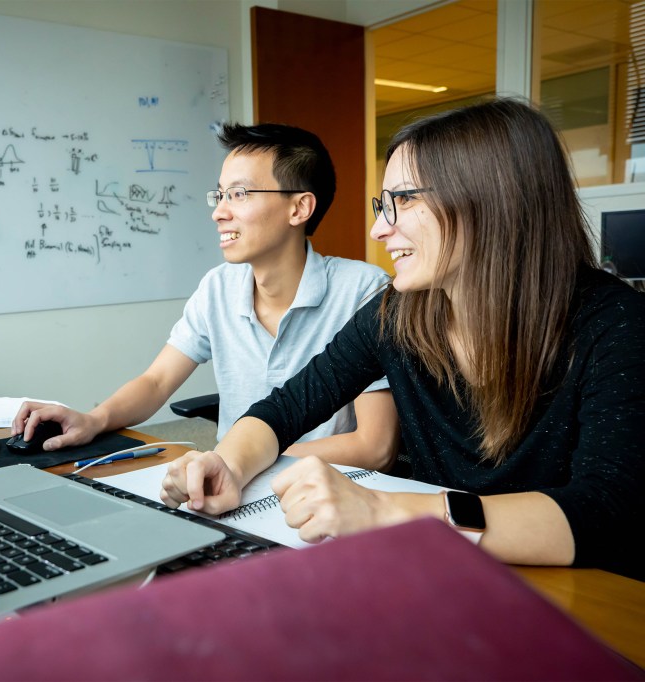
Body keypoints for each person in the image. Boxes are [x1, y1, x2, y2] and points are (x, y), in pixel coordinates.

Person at [160, 99, 645, 580]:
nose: (378, 229)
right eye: (382, 204)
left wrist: (383, 510)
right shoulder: (399, 313)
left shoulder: (614, 322)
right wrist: (228, 463)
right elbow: (285, 407)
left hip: (576, 594)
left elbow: (604, 513)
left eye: (405, 199)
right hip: (443, 573)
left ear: (491, 200)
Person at [13, 123, 398, 468]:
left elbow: (374, 446)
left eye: (239, 194)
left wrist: (240, 459)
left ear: (299, 207)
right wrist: (93, 419)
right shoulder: (219, 286)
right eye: (219, 196)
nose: (219, 213)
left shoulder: (362, 290)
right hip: (229, 481)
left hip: (327, 491)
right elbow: (156, 382)